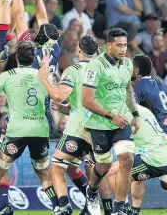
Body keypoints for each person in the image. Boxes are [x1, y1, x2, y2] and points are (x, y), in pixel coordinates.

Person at [0, 41, 58, 214]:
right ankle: (58, 207)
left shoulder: (7, 76)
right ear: (33, 59)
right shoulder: (44, 76)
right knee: (43, 171)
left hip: (16, 130)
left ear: (17, 58)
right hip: (40, 129)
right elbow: (53, 98)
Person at [38, 35, 99, 215]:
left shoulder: (73, 70)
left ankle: (64, 205)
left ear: (78, 50)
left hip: (78, 129)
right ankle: (95, 206)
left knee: (57, 166)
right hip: (100, 130)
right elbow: (86, 101)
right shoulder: (102, 70)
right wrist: (65, 109)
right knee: (83, 169)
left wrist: (44, 79)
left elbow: (59, 95)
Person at [81, 28, 140, 215]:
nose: (123, 49)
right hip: (99, 124)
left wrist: (135, 114)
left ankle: (119, 207)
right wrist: (110, 116)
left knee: (127, 158)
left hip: (121, 121)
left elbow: (128, 91)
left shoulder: (127, 64)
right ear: (108, 45)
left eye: (125, 45)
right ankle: (91, 191)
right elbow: (86, 100)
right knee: (103, 166)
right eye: (119, 45)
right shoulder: (95, 66)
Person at [107, 104, 167, 215]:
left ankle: (123, 210)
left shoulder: (122, 111)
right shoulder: (145, 110)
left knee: (112, 171)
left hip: (155, 157)